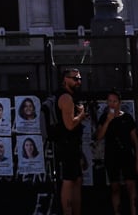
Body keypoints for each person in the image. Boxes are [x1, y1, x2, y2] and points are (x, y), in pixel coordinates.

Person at [95, 91, 138, 215]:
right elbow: (98, 136)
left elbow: (135, 141)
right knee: (115, 188)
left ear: (119, 103)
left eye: (114, 101)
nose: (112, 104)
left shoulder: (127, 118)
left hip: (127, 156)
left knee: (131, 186)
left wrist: (137, 161)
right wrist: (108, 121)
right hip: (112, 156)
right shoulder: (104, 118)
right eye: (109, 101)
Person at [54, 68, 86, 215]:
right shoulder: (66, 98)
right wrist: (81, 115)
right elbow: (69, 125)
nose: (78, 81)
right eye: (75, 79)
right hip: (66, 145)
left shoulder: (72, 97)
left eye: (79, 78)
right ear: (65, 80)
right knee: (69, 181)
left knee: (77, 180)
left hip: (74, 145)